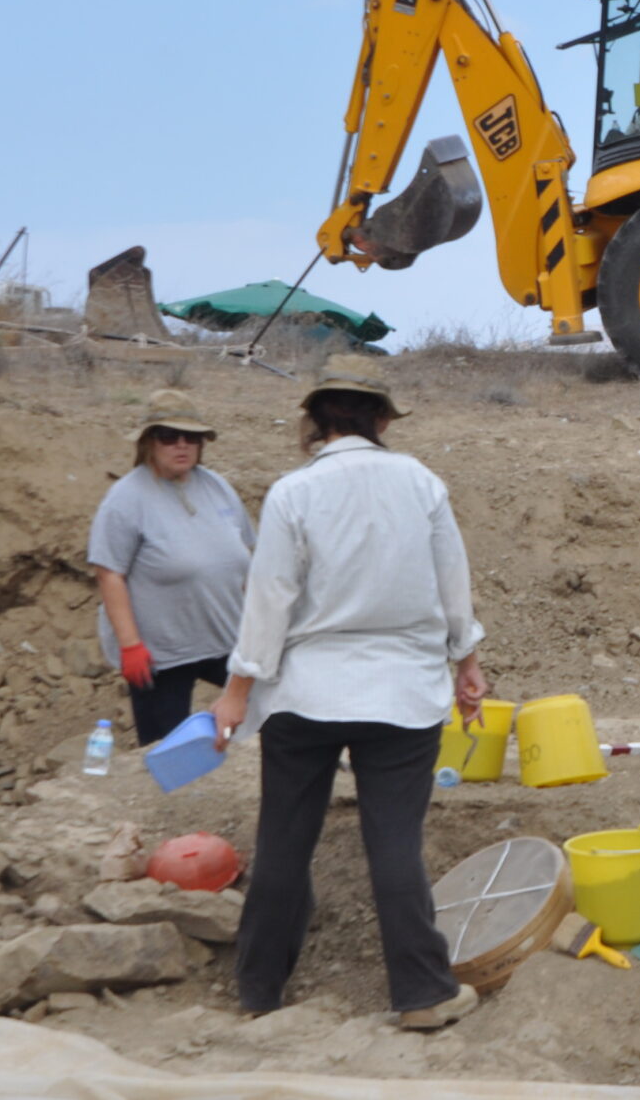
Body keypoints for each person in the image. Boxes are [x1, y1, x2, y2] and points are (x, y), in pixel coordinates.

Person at [210, 357, 488, 1031]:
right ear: (383, 419)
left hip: (305, 692)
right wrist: (468, 665)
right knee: (394, 842)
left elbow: (270, 597)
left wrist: (236, 689)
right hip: (403, 691)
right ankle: (422, 993)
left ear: (315, 421)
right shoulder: (422, 483)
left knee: (283, 840)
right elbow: (453, 583)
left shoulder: (291, 493)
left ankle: (259, 991)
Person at [88, 390, 254, 746]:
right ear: (149, 441)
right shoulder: (126, 498)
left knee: (264, 720)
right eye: (169, 437)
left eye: (191, 437)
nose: (181, 445)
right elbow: (109, 572)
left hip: (226, 638)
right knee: (167, 749)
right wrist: (130, 645)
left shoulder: (218, 487)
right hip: (161, 653)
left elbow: (246, 557)